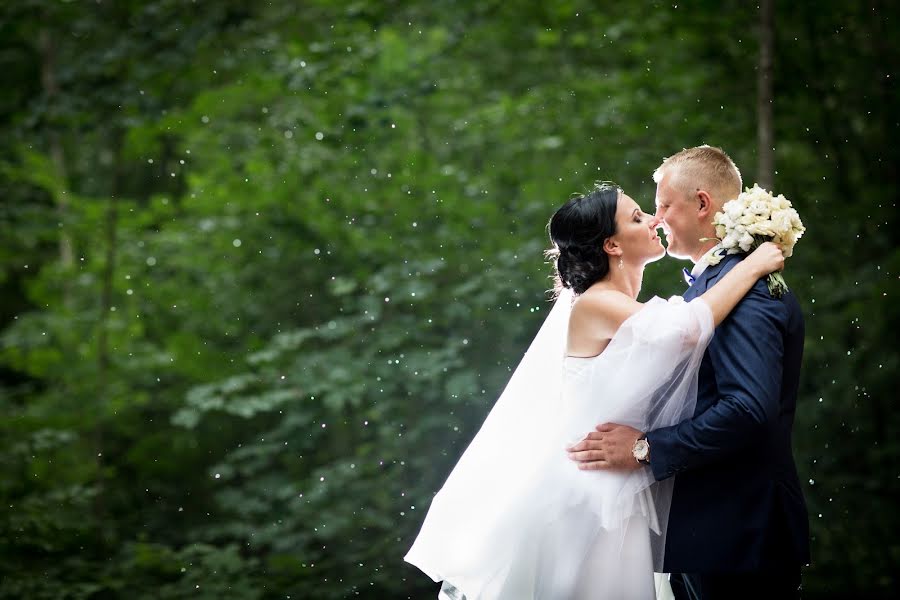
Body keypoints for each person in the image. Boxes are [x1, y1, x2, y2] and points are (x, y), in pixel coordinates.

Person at [405, 178, 786, 599]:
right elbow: (685, 332)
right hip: (587, 496)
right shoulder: (594, 303)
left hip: (619, 486)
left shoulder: (628, 309)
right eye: (638, 217)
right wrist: (751, 265)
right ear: (613, 246)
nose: (654, 219)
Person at [567, 146, 810, 599]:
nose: (656, 219)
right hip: (706, 534)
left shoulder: (747, 292)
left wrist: (643, 448)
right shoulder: (713, 290)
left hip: (738, 533)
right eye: (645, 213)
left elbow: (747, 409)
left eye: (661, 206)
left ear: (702, 204)